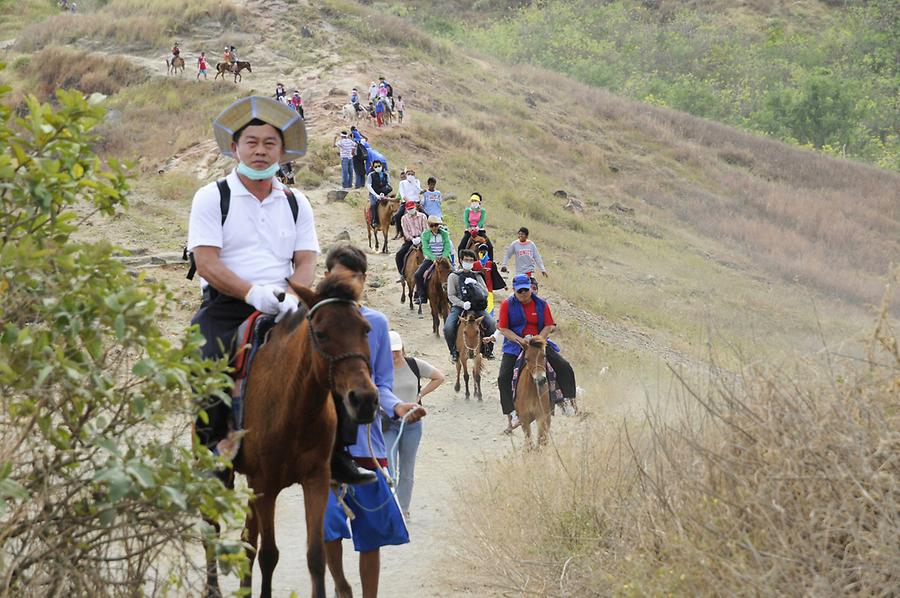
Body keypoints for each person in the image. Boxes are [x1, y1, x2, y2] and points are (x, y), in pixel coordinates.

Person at [188, 96, 373, 482]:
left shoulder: (296, 202)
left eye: (269, 143)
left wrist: (293, 295)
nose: (259, 150)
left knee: (336, 352)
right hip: (228, 303)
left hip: (287, 302)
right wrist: (252, 293)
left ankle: (339, 452)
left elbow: (305, 259)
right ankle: (212, 454)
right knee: (206, 357)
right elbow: (206, 262)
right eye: (251, 142)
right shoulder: (212, 197)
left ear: (282, 150)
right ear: (235, 147)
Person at [322, 246, 426, 598]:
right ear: (325, 279)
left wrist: (397, 407)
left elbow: (382, 382)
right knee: (328, 526)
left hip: (366, 440)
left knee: (371, 533)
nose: (346, 286)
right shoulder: (316, 322)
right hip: (326, 442)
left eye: (353, 279)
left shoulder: (376, 323)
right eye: (337, 279)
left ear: (363, 282)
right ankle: (340, 585)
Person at [496, 275, 577, 432]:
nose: (524, 293)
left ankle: (566, 399)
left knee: (563, 366)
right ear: (514, 291)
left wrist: (539, 338)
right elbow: (503, 328)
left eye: (527, 290)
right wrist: (520, 340)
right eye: (520, 291)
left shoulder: (541, 304)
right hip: (516, 345)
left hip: (539, 343)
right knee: (503, 376)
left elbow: (549, 325)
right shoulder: (507, 305)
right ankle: (511, 411)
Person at [381, 331, 444, 520]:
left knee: (407, 468)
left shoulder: (413, 365)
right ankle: (390, 508)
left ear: (402, 348)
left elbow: (439, 377)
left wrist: (420, 394)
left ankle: (404, 509)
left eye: (397, 351)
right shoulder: (379, 369)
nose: (394, 355)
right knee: (389, 467)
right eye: (390, 351)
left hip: (412, 424)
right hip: (387, 423)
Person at [444, 250, 497, 362]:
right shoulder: (453, 276)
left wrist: (476, 284)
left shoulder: (477, 275)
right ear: (461, 260)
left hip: (477, 306)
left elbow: (486, 293)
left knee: (492, 324)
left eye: (471, 260)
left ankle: (488, 349)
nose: (468, 262)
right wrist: (463, 304)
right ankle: (453, 351)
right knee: (448, 327)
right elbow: (451, 295)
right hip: (459, 306)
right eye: (466, 260)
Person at [414, 215, 452, 305]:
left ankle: (453, 296)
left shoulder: (444, 234)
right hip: (430, 259)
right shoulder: (425, 234)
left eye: (436, 225)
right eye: (432, 225)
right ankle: (422, 296)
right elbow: (426, 249)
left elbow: (447, 247)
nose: (434, 227)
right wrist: (434, 258)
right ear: (429, 225)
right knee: (417, 275)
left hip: (444, 259)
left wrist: (443, 256)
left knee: (455, 273)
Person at [395, 200, 427, 277]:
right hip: (410, 241)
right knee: (399, 255)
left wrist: (421, 238)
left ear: (415, 207)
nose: (411, 210)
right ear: (406, 209)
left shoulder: (422, 216)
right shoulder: (404, 218)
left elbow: (425, 229)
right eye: (409, 209)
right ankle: (402, 274)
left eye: (412, 208)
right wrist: (412, 239)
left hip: (423, 240)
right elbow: (405, 231)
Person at [457, 193, 493, 260]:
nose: (474, 202)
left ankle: (490, 263)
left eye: (475, 201)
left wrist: (477, 228)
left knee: (490, 246)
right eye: (472, 201)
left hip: (480, 231)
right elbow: (466, 220)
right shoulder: (467, 210)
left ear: (479, 202)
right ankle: (461, 262)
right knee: (461, 246)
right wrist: (469, 229)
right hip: (469, 231)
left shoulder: (482, 211)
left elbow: (482, 220)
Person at [395, 167, 421, 238]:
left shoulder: (417, 181)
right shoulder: (402, 183)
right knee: (397, 216)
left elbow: (418, 191)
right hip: (406, 203)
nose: (410, 176)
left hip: (416, 202)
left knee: (426, 215)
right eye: (409, 174)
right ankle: (399, 232)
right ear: (406, 175)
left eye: (412, 174)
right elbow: (403, 194)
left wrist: (414, 183)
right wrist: (408, 201)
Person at [365, 160, 391, 227]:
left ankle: (391, 219)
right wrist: (376, 195)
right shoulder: (371, 175)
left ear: (381, 166)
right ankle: (375, 220)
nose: (378, 167)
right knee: (373, 204)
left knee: (392, 204)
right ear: (373, 168)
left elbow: (388, 185)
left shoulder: (386, 175)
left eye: (379, 166)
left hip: (384, 193)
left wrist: (383, 193)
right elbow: (369, 185)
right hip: (374, 194)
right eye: (376, 166)